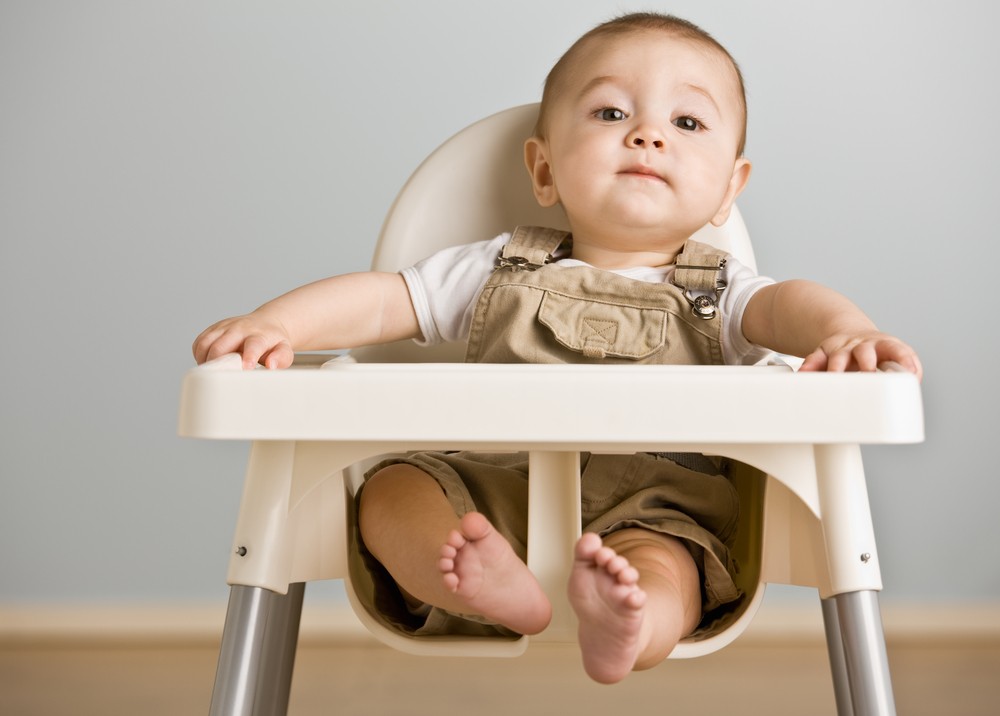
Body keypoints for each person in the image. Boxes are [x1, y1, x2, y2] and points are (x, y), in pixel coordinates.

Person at [193, 12, 922, 684]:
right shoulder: (494, 269)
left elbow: (791, 303)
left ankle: (630, 623)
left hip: (656, 504)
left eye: (688, 120)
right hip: (487, 494)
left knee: (670, 570)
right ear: (542, 169)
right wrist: (279, 324)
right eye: (611, 113)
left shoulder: (723, 290)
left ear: (730, 188)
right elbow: (385, 299)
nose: (648, 135)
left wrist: (846, 330)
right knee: (391, 492)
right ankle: (483, 582)